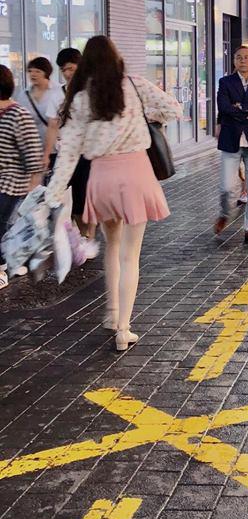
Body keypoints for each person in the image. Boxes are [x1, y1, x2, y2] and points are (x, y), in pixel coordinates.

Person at [46, 36, 182, 351]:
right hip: (136, 173)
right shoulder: (135, 85)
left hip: (102, 177)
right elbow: (173, 109)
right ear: (115, 59)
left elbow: (69, 153)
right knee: (131, 255)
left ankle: (112, 313)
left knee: (113, 246)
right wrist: (148, 116)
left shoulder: (80, 99)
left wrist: (53, 194)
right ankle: (124, 329)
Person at [215, 46, 248, 243]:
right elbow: (224, 107)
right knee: (227, 187)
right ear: (234, 61)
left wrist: (239, 108)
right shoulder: (225, 82)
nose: (243, 60)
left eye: (246, 57)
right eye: (239, 57)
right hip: (231, 140)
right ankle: (224, 213)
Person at [0, 66, 44, 290]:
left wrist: (31, 188)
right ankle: (12, 261)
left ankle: (2, 271)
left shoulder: (18, 114)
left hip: (11, 182)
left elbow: (33, 154)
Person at [56, 47, 97, 255]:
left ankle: (88, 237)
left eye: (71, 68)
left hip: (87, 155)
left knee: (83, 199)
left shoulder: (90, 91)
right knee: (68, 201)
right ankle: (80, 238)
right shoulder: (59, 93)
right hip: (66, 154)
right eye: (63, 70)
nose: (67, 73)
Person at [21, 57, 65, 176]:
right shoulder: (24, 95)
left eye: (37, 71)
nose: (33, 74)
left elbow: (56, 124)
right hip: (32, 150)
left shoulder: (59, 92)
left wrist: (47, 154)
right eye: (30, 71)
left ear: (46, 73)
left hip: (56, 149)